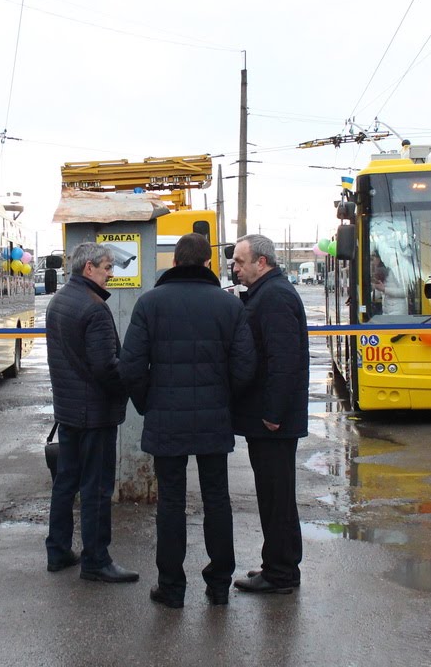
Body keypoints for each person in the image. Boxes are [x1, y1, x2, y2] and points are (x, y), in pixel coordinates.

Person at [119, 233, 256, 608]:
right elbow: (245, 366)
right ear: (208, 264)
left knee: (171, 504)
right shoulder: (229, 307)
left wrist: (149, 402)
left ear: (175, 262)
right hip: (214, 420)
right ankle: (218, 586)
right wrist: (224, 399)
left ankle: (172, 587)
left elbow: (131, 366)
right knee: (217, 501)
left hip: (166, 418)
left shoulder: (150, 304)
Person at [44, 243, 137, 584]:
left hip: (68, 410)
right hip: (94, 413)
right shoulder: (95, 309)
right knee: (97, 487)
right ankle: (96, 560)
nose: (111, 273)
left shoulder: (60, 301)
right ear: (89, 269)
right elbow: (106, 368)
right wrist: (129, 386)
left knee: (66, 482)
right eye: (107, 267)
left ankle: (58, 550)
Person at [230, 234, 309, 595]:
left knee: (276, 498)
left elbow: (283, 360)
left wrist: (274, 412)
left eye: (240, 262)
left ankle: (280, 573)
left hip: (273, 419)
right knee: (274, 495)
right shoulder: (267, 293)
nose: (235, 267)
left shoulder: (274, 296)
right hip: (270, 416)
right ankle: (278, 566)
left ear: (262, 262)